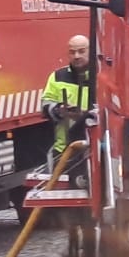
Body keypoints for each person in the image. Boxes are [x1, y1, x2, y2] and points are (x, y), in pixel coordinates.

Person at [42, 34, 95, 173]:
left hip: (93, 149)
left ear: (92, 51)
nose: (76, 56)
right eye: (72, 52)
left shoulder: (101, 76)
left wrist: (84, 116)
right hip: (64, 150)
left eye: (81, 51)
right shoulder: (57, 76)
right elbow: (45, 105)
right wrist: (58, 110)